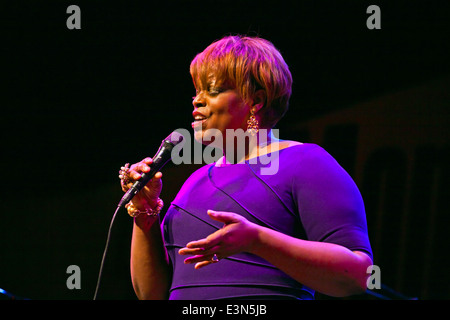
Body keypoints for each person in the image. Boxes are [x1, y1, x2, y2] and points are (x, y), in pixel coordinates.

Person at [118, 35, 373, 300]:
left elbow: (357, 276)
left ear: (256, 101)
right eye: (197, 91)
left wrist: (257, 240)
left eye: (213, 90)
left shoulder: (305, 162)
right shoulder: (194, 181)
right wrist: (145, 216)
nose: (197, 100)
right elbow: (151, 294)